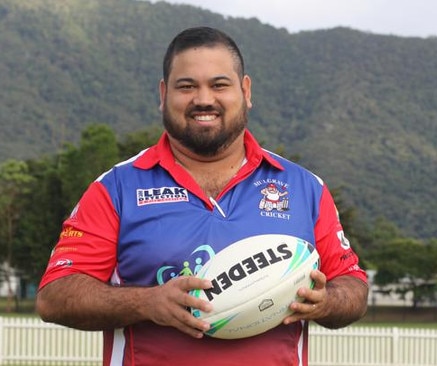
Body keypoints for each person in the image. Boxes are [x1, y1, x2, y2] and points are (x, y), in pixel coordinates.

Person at [36, 26, 368, 366]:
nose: (204, 99)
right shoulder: (116, 188)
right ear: (163, 94)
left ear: (246, 90)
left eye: (219, 85)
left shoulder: (304, 187)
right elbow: (56, 296)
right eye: (187, 86)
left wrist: (327, 302)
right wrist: (146, 303)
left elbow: (353, 285)